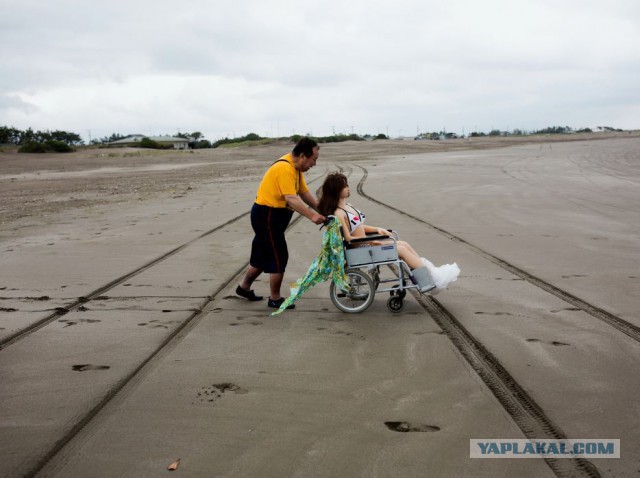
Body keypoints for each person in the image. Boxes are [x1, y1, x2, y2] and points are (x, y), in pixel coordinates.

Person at [317, 172, 459, 293]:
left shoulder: (348, 206)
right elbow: (348, 238)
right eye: (344, 186)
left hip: (366, 246)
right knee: (400, 249)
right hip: (361, 248)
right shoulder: (339, 213)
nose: (348, 187)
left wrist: (377, 229)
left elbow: (359, 226)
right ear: (337, 190)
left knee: (403, 243)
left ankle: (428, 275)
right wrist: (371, 241)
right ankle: (429, 278)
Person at [236, 137, 325, 309]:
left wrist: (322, 210)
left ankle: (243, 287)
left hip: (270, 216)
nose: (314, 163)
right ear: (302, 156)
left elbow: (303, 193)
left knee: (261, 256)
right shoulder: (284, 168)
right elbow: (291, 199)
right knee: (278, 255)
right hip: (267, 216)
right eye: (314, 159)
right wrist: (312, 216)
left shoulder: (295, 169)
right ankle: (275, 298)